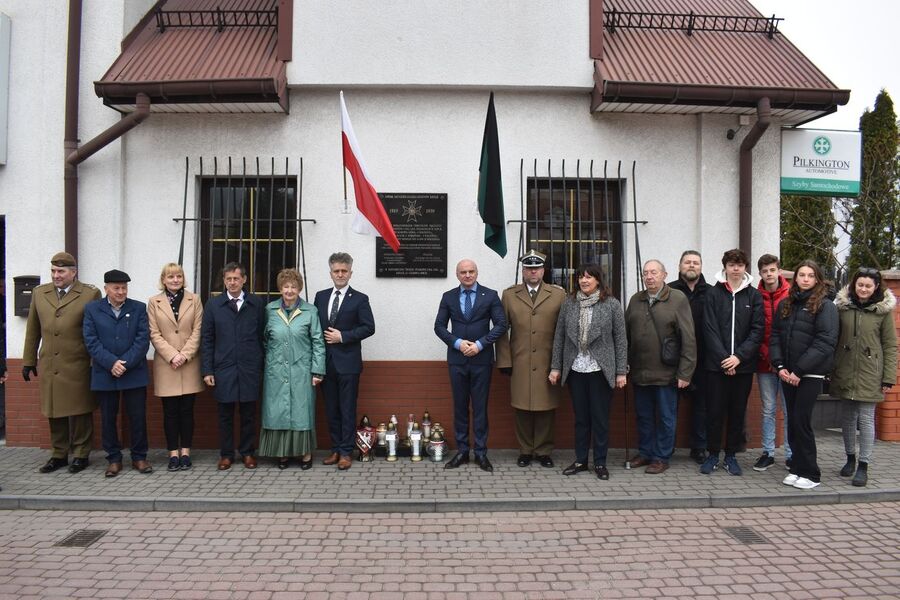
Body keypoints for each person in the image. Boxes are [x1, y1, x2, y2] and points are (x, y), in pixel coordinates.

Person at [23, 252, 101, 474]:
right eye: (54, 271)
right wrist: (28, 360)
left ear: (73, 273)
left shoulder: (89, 294)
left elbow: (94, 329)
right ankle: (58, 454)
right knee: (53, 409)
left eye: (61, 271)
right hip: (50, 363)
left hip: (77, 362)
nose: (56, 275)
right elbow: (33, 329)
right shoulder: (40, 293)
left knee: (80, 410)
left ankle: (81, 454)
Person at [550, 264, 627, 480]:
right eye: (581, 277)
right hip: (576, 369)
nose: (584, 281)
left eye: (589, 277)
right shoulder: (569, 304)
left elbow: (621, 340)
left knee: (600, 419)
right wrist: (556, 367)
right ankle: (581, 460)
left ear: (598, 281)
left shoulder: (611, 304)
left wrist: (621, 371)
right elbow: (559, 337)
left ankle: (600, 462)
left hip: (600, 370)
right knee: (581, 419)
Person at [769, 260, 838, 490]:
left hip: (810, 375)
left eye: (810, 275)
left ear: (817, 279)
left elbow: (825, 343)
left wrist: (799, 370)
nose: (806, 279)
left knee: (802, 421)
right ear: (795, 278)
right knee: (793, 422)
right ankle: (797, 468)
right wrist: (780, 367)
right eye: (802, 275)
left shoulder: (826, 306)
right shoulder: (787, 304)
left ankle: (812, 473)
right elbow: (776, 335)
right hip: (788, 374)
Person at [434, 259, 507, 472]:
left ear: (477, 272)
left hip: (481, 361)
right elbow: (439, 326)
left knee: (480, 408)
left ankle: (481, 453)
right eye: (463, 272)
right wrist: (457, 343)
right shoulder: (448, 297)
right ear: (457, 275)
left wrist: (480, 344)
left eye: (471, 271)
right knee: (460, 407)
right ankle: (463, 451)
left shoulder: (490, 295)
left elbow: (501, 324)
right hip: (457, 361)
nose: (467, 275)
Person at [495, 250, 566, 468]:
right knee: (522, 407)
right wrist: (505, 361)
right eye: (528, 268)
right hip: (521, 361)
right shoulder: (509, 295)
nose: (533, 272)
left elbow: (563, 331)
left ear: (543, 270)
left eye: (536, 268)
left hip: (548, 362)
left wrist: (559, 363)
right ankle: (525, 450)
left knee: (546, 408)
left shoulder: (558, 295)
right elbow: (501, 329)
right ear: (523, 271)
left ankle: (544, 451)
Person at [625, 260, 696, 474]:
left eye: (654, 272)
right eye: (646, 273)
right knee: (644, 415)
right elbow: (626, 336)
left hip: (667, 373)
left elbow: (688, 338)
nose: (649, 277)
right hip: (640, 371)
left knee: (666, 417)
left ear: (664, 274)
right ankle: (646, 452)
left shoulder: (677, 299)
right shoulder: (636, 300)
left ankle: (661, 456)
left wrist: (686, 372)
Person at [699, 249, 764, 477]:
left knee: (737, 413)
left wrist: (739, 357)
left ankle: (731, 456)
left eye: (739, 265)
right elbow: (709, 329)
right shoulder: (713, 294)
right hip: (715, 367)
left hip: (743, 368)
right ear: (725, 267)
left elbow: (757, 331)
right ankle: (713, 455)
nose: (735, 269)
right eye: (731, 264)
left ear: (745, 268)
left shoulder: (754, 296)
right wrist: (725, 360)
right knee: (714, 412)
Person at [832, 267, 897, 487]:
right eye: (860, 284)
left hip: (871, 372)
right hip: (845, 369)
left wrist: (888, 376)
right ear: (853, 285)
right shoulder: (842, 308)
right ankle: (850, 458)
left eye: (868, 285)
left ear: (876, 287)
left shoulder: (882, 312)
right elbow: (833, 338)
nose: (863, 289)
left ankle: (864, 465)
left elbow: (890, 344)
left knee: (866, 419)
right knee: (848, 418)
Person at [83, 269, 152, 477]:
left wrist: (125, 363)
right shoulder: (92, 310)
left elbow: (142, 340)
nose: (121, 292)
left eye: (124, 288)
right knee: (108, 417)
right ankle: (113, 458)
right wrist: (111, 362)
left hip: (133, 372)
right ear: (106, 289)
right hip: (105, 372)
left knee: (137, 417)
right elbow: (90, 340)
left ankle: (139, 457)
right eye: (116, 288)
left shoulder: (138, 308)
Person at [201, 262, 266, 470]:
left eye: (236, 279)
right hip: (224, 368)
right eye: (228, 279)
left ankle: (247, 453)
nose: (232, 283)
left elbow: (262, 336)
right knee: (225, 415)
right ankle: (227, 455)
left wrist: (261, 365)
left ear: (244, 280)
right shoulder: (213, 305)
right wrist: (207, 370)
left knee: (249, 414)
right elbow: (207, 339)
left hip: (249, 368)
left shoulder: (256, 303)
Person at [314, 252, 375, 470]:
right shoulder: (320, 297)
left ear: (350, 273)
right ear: (330, 272)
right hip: (325, 363)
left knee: (347, 408)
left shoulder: (360, 299)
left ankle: (347, 452)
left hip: (348, 363)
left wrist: (343, 336)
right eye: (336, 271)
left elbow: (369, 327)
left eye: (344, 271)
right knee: (331, 408)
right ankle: (335, 449)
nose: (340, 274)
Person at [261, 269, 325, 469]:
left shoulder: (310, 311)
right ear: (280, 288)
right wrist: (271, 360)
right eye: (286, 286)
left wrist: (317, 371)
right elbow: (264, 339)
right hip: (276, 372)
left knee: (301, 412)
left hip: (302, 372)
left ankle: (305, 454)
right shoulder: (270, 310)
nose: (289, 290)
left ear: (299, 289)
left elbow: (318, 342)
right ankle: (283, 454)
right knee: (278, 411)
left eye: (293, 287)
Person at [147, 263, 205, 472]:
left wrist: (185, 355)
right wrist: (172, 355)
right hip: (166, 364)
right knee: (170, 412)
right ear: (163, 279)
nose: (175, 280)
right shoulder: (154, 302)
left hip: (189, 363)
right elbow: (154, 333)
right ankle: (173, 454)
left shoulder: (194, 299)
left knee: (187, 411)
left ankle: (186, 453)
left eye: (178, 276)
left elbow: (198, 330)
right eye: (170, 277)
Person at [668, 250, 712, 464]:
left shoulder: (712, 293)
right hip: (674, 358)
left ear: (701, 267)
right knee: (670, 406)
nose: (691, 265)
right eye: (687, 262)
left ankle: (699, 448)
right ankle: (667, 447)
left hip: (704, 358)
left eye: (695, 262)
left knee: (701, 407)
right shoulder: (669, 291)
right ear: (679, 266)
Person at [753, 253, 792, 472]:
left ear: (779, 270)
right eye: (765, 271)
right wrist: (768, 356)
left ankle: (791, 454)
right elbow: (754, 331)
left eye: (772, 270)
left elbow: (793, 330)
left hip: (787, 364)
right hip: (763, 362)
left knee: (788, 410)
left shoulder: (791, 294)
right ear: (760, 273)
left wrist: (780, 360)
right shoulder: (755, 296)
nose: (769, 274)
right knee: (768, 408)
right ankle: (768, 453)